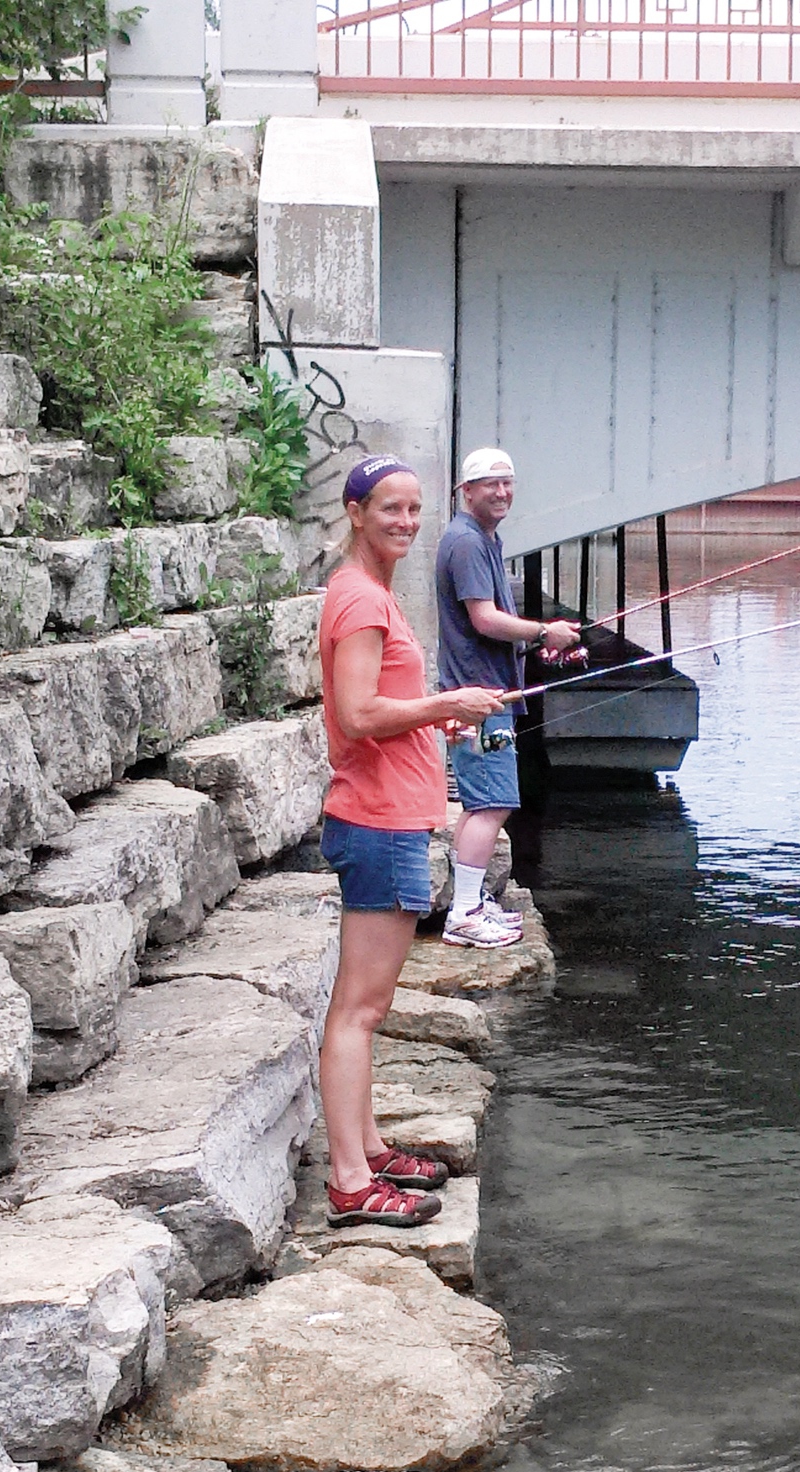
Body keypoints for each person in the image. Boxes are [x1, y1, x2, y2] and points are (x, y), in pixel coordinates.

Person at [319, 453, 503, 1226]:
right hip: (376, 817)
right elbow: (359, 715)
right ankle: (350, 1182)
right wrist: (440, 705)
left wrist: (437, 713)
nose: (405, 521)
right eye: (388, 508)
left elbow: (380, 705)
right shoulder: (360, 600)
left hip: (389, 814)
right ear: (355, 512)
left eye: (414, 509)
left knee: (373, 1002)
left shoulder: (369, 593)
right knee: (357, 1010)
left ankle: (368, 1146)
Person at [436, 447, 580, 949]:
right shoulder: (467, 543)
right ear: (465, 491)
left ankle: (471, 903)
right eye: (490, 483)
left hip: (485, 692)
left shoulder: (482, 539)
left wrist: (539, 644)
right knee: (492, 804)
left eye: (508, 482)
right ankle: (464, 914)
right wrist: (544, 633)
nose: (501, 491)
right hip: (479, 699)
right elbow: (484, 619)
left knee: (480, 803)